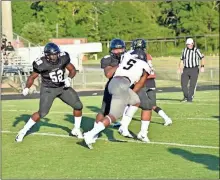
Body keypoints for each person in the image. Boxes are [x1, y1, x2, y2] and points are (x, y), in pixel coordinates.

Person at [15, 42, 83, 142]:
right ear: (46, 55)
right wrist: (26, 87)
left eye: (56, 54)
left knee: (78, 106)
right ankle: (23, 131)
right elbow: (32, 77)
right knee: (42, 113)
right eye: (52, 55)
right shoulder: (41, 64)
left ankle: (76, 129)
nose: (55, 56)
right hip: (48, 89)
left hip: (62, 87)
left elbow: (72, 70)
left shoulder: (63, 58)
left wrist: (69, 78)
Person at [84, 49, 151, 149]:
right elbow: (141, 83)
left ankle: (123, 127)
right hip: (123, 84)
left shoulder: (126, 58)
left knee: (136, 101)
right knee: (114, 116)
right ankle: (90, 134)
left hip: (113, 83)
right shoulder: (144, 65)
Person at [118, 39, 172, 142]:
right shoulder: (143, 55)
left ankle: (139, 131)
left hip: (124, 81)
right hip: (134, 81)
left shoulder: (127, 54)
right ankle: (125, 127)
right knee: (142, 104)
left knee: (141, 104)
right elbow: (144, 71)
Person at [178, 38, 205, 102]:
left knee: (192, 85)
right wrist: (179, 68)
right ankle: (186, 96)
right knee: (183, 84)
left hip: (194, 69)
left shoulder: (196, 50)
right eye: (188, 44)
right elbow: (181, 60)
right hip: (186, 69)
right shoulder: (184, 50)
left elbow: (202, 58)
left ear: (193, 44)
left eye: (190, 44)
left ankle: (189, 98)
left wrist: (202, 66)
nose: (189, 45)